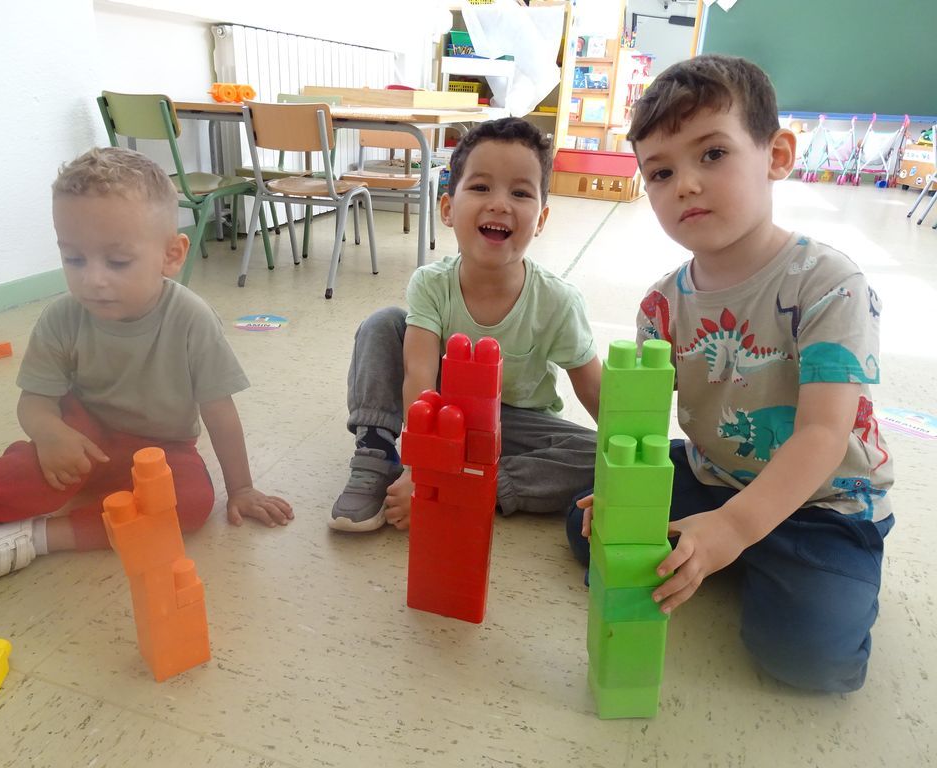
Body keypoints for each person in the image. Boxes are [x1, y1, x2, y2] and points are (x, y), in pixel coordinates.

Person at [565, 55, 894, 693]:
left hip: (823, 500)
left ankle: (761, 557)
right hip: (711, 472)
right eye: (660, 172)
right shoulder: (661, 304)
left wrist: (736, 528)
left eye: (712, 154)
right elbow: (640, 422)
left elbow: (824, 435)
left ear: (777, 155)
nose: (685, 184)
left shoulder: (829, 284)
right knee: (587, 527)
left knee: (808, 659)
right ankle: (729, 553)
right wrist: (626, 490)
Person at [0, 147, 293, 592]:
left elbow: (219, 412)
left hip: (162, 449)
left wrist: (241, 488)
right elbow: (35, 402)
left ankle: (31, 537)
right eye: (74, 259)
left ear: (171, 255)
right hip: (82, 435)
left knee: (192, 503)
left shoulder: (192, 320)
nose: (92, 279)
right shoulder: (61, 318)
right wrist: (49, 434)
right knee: (26, 474)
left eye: (117, 261)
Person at [330, 117, 602, 532]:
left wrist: (634, 463)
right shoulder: (431, 283)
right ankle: (376, 454)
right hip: (444, 415)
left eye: (520, 192)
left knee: (597, 454)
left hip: (513, 425)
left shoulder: (558, 301)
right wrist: (422, 466)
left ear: (541, 219)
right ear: (448, 208)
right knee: (384, 323)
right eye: (480, 187)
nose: (500, 204)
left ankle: (477, 485)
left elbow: (598, 394)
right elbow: (419, 377)